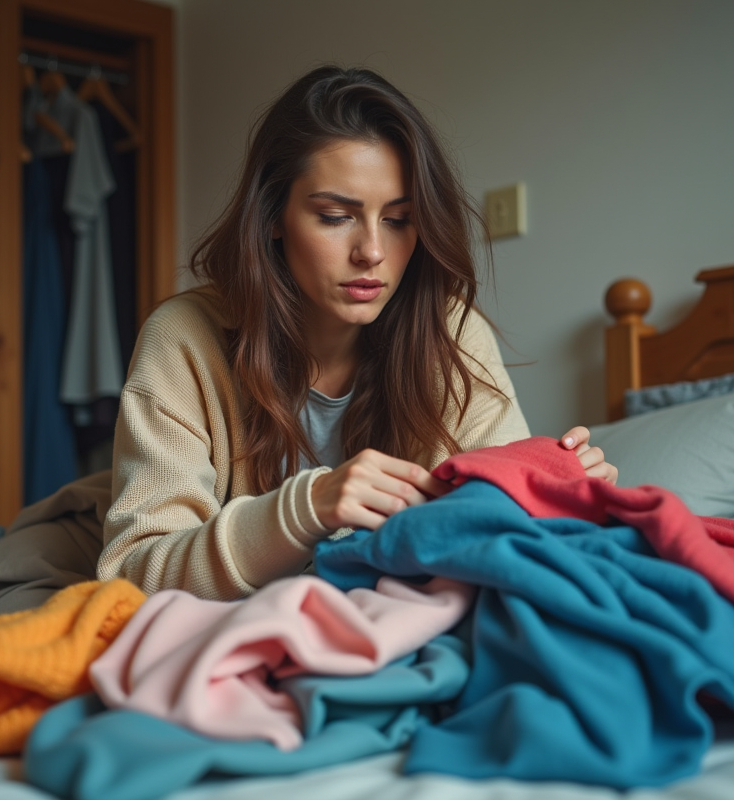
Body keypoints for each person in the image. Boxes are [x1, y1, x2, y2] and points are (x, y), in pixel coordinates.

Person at [94, 65, 617, 602]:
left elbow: (499, 523)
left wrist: (559, 493)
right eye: (334, 216)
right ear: (273, 216)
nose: (372, 251)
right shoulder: (184, 338)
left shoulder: (451, 331)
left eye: (398, 220)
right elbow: (133, 575)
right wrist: (308, 507)